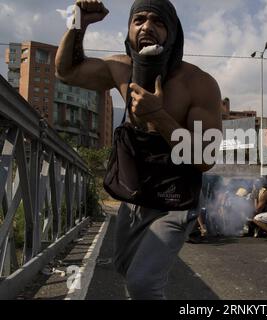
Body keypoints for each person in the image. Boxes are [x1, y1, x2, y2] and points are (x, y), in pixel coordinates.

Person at [55, 0, 222, 299]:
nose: (147, 27)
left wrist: (158, 115)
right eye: (139, 20)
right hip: (134, 196)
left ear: (173, 33)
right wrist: (78, 24)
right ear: (130, 29)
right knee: (124, 267)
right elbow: (66, 71)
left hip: (175, 200)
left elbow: (205, 159)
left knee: (142, 282)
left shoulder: (199, 84)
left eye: (158, 22)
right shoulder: (119, 68)